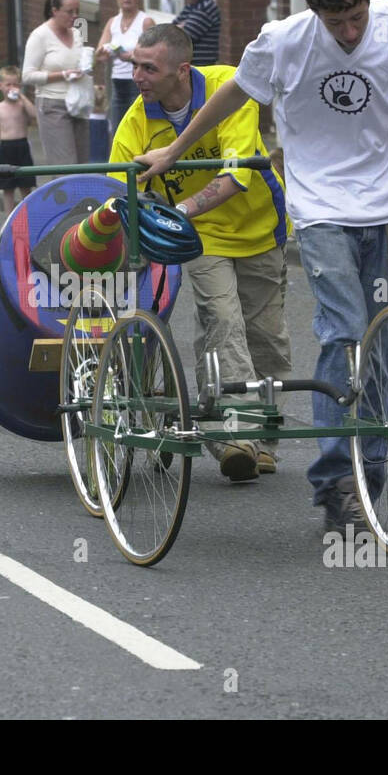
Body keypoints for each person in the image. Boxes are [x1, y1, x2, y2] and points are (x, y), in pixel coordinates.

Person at [135, 0, 388, 530]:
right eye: (337, 22)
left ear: (370, 0)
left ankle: (369, 478)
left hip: (387, 210)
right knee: (344, 329)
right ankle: (337, 479)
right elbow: (235, 92)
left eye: (358, 16)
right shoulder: (286, 39)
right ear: (315, 13)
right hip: (319, 209)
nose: (350, 31)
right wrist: (177, 148)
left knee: (381, 338)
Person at [113, 24, 293, 481]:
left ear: (182, 70)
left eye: (149, 67)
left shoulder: (230, 87)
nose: (137, 76)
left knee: (267, 337)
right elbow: (117, 191)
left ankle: (264, 436)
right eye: (134, 64)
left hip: (259, 226)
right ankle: (235, 436)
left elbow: (238, 176)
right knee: (222, 320)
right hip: (200, 236)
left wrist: (179, 209)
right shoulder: (137, 120)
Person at [21, 0, 89, 164]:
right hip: (52, 104)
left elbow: (79, 65)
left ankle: (82, 193)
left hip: (78, 103)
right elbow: (27, 76)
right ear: (54, 11)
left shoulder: (77, 34)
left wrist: (94, 62)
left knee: (82, 165)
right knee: (65, 166)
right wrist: (63, 75)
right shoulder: (40, 36)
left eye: (77, 11)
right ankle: (63, 192)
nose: (75, 16)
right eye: (69, 12)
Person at [95, 0, 154, 134]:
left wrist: (132, 56)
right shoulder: (112, 22)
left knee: (138, 130)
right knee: (118, 131)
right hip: (117, 83)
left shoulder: (145, 21)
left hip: (139, 83)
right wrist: (103, 54)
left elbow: (153, 54)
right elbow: (100, 51)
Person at [0, 65, 38, 214]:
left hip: (22, 146)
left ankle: (29, 215)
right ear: (0, 86)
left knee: (26, 185)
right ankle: (8, 218)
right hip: (6, 148)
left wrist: (22, 96)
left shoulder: (21, 104)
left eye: (15, 84)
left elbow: (34, 114)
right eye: (8, 84)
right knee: (7, 187)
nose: (12, 88)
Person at [173, 0, 220, 66]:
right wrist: (180, 27)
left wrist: (179, 28)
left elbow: (179, 39)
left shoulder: (205, 8)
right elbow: (169, 31)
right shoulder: (190, 7)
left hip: (201, 72)